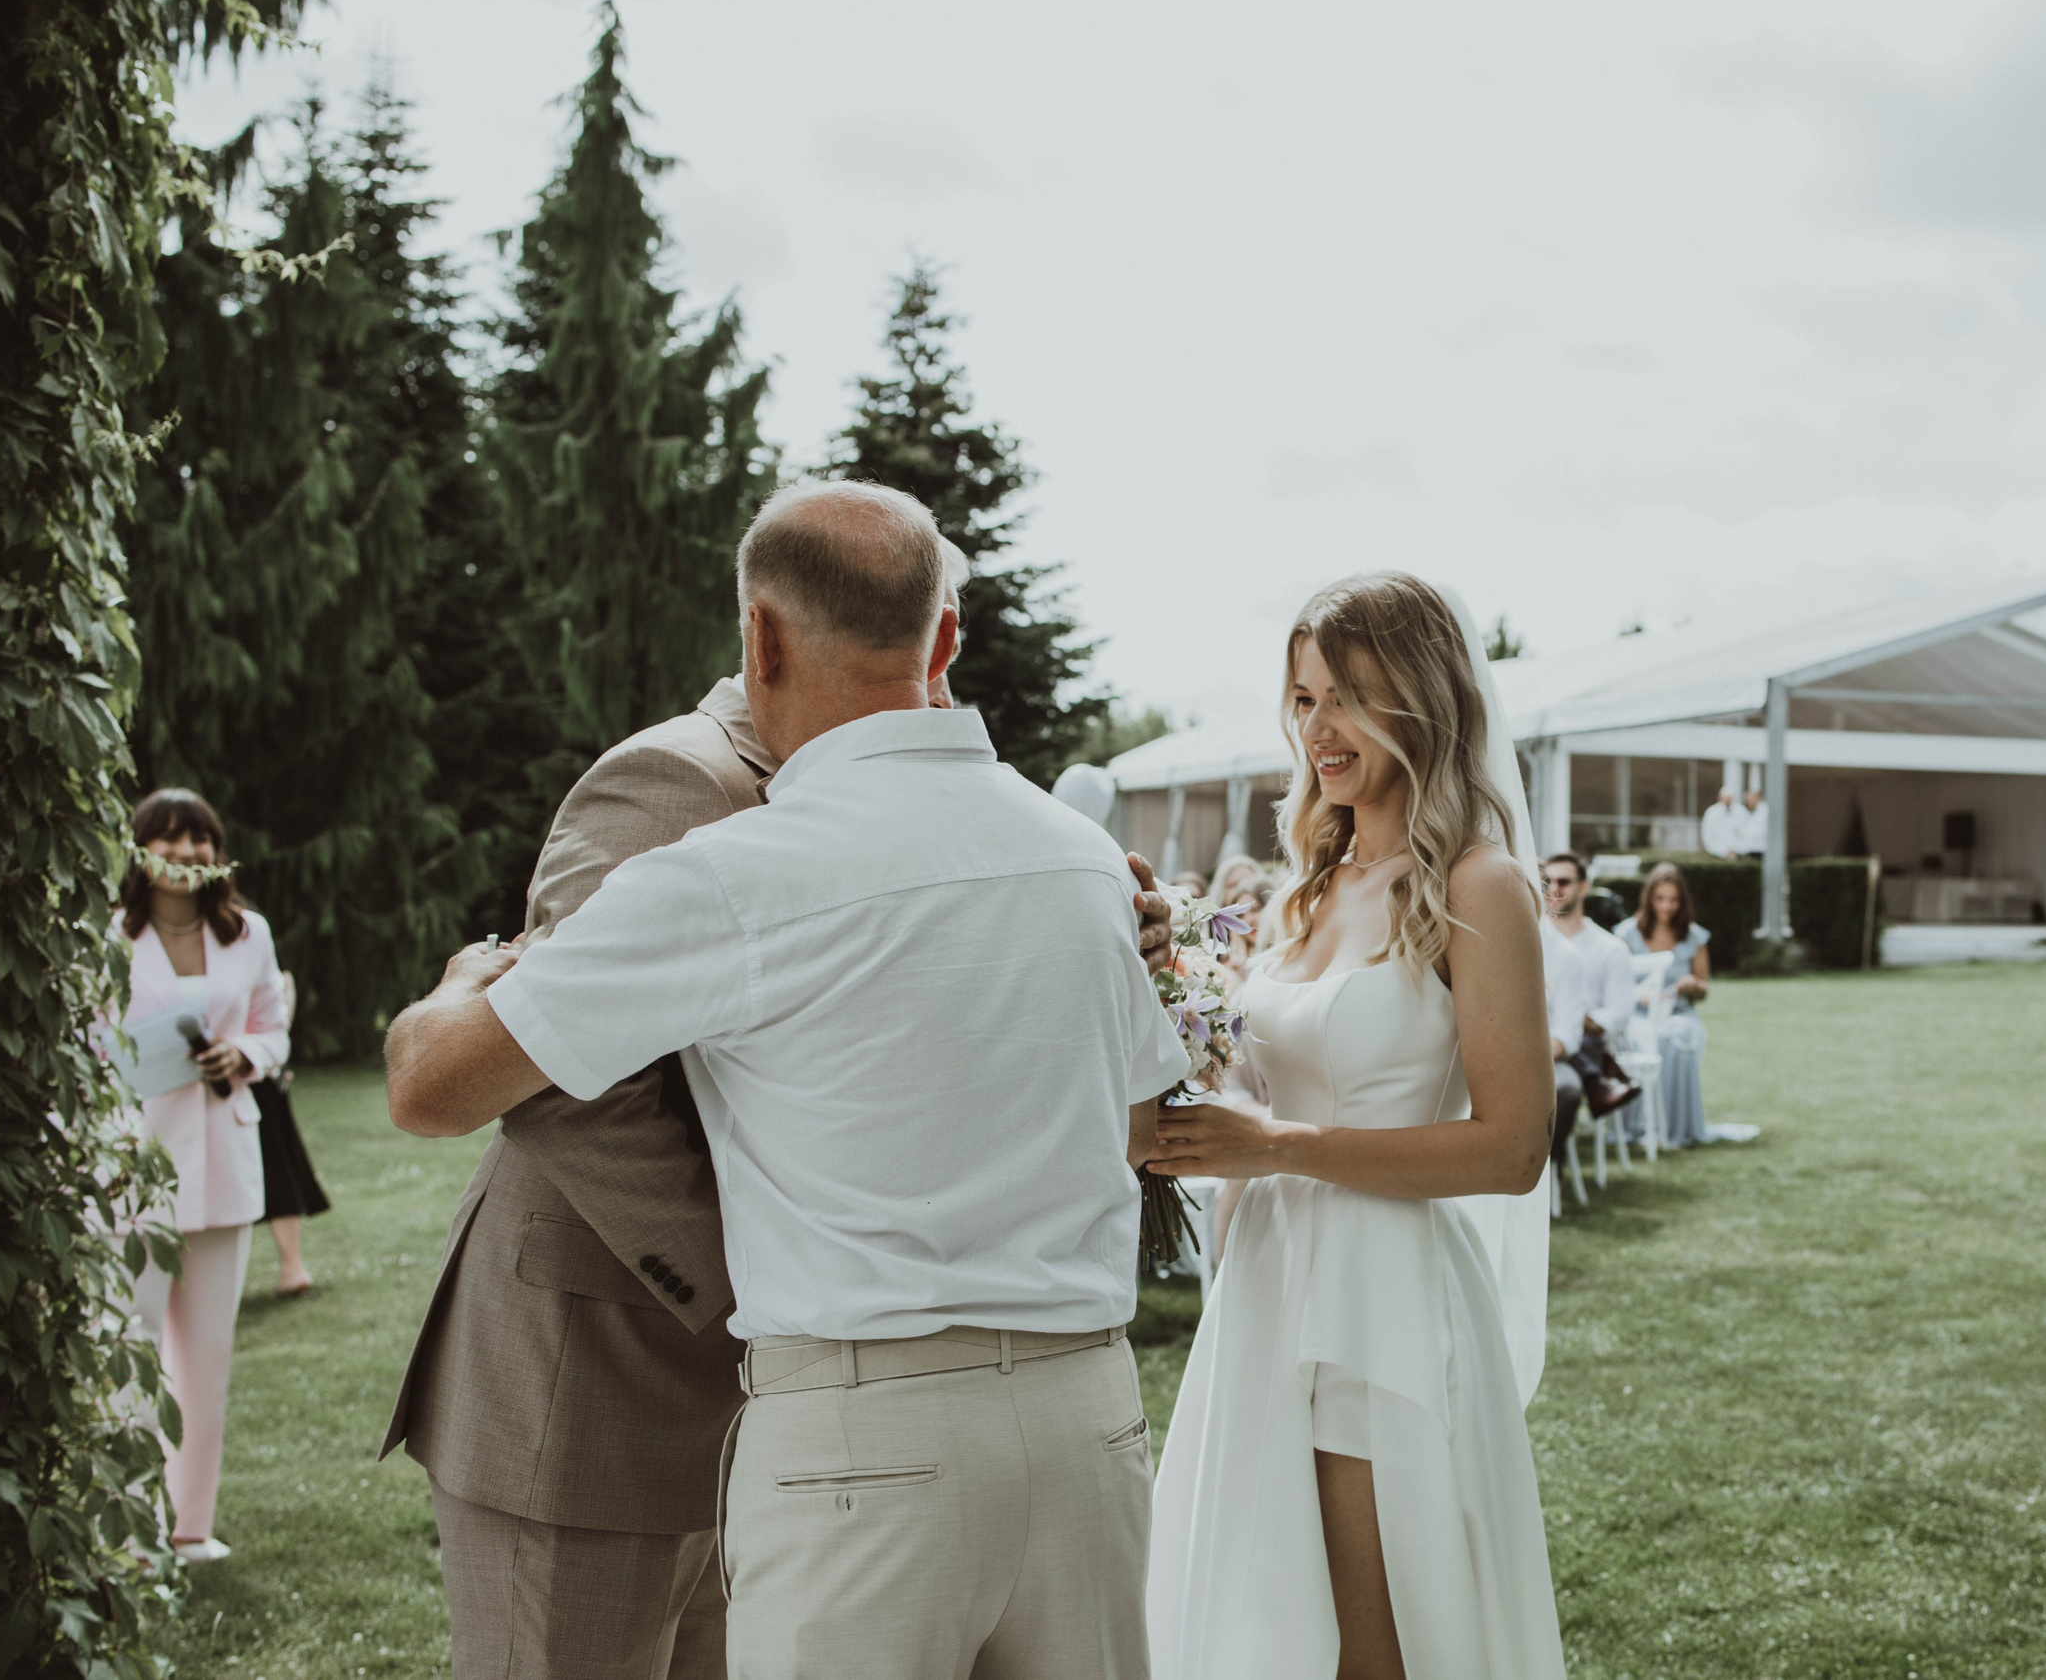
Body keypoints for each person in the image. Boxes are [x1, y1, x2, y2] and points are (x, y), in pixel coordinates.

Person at [384, 481, 1190, 1679]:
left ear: (758, 632)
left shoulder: (740, 869)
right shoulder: (1074, 855)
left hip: (852, 1422)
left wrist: (465, 981)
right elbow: (1129, 1125)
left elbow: (434, 1085)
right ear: (945, 640)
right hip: (1076, 1414)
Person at [1143, 572, 1565, 1679]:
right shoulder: (1310, 887)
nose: (1316, 730)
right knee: (1264, 1615)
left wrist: (1277, 1149)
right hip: (1266, 1285)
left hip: (1378, 1301)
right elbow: (1266, 1076)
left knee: (1373, 1646)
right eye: (1300, 699)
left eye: (1345, 697)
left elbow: (1513, 1148)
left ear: (1420, 700)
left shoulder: (1481, 887)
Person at [114, 788, 290, 1562]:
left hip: (224, 1158)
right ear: (142, 849)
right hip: (135, 1163)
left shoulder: (249, 932)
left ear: (218, 853)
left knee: (207, 1354)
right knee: (131, 1345)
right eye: (171, 838)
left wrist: (244, 1054)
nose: (187, 853)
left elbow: (272, 1028)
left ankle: (190, 1524)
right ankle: (127, 1524)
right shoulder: (109, 938)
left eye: (202, 840)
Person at [1541, 851, 1644, 1162]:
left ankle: (1551, 1167)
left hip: (1586, 1039)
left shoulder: (1609, 948)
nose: (1554, 888)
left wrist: (1578, 1020)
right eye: (1548, 881)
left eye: (1564, 881)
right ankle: (1597, 1085)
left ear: (1583, 887)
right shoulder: (1536, 939)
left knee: (1579, 1040)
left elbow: (1618, 1013)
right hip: (1548, 1036)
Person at [1613, 862, 1712, 1148]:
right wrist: (1638, 993)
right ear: (1649, 898)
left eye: (1673, 900)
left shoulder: (1693, 936)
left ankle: (1674, 1126)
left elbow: (1704, 988)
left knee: (1676, 1037)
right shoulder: (1627, 934)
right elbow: (1614, 982)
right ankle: (1639, 1127)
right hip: (1636, 1014)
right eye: (1660, 899)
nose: (1666, 906)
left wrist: (1691, 985)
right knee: (1644, 1037)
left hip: (1678, 1012)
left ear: (1682, 902)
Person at [250, 969, 328, 1297]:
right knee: (277, 1166)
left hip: (252, 1078)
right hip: (263, 1078)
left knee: (276, 1168)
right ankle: (292, 1266)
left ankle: (293, 1267)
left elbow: (277, 1019)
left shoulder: (250, 948)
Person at [1700, 785, 1747, 859]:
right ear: (1720, 798)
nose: (1727, 800)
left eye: (1729, 798)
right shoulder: (1712, 813)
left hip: (1738, 855)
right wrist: (1722, 852)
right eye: (1725, 798)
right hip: (1716, 855)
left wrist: (1737, 851)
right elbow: (1707, 835)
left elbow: (1746, 833)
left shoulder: (1741, 812)